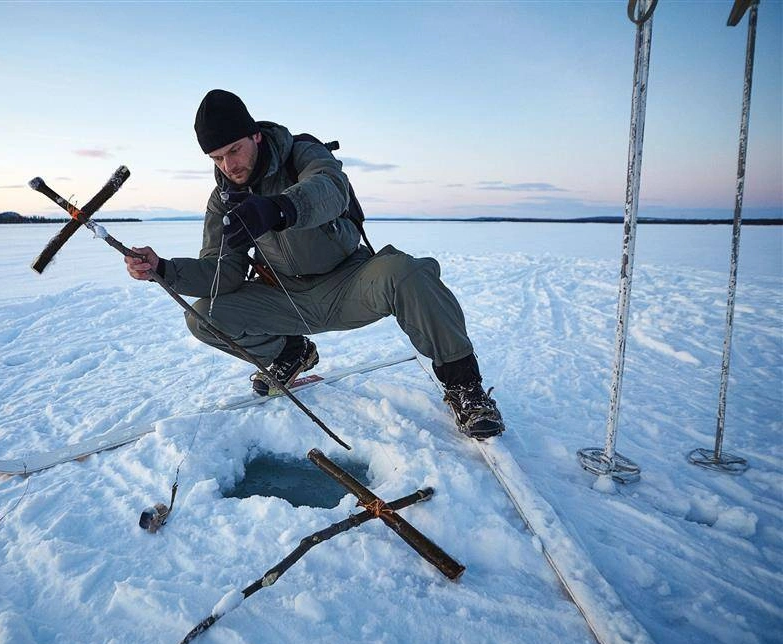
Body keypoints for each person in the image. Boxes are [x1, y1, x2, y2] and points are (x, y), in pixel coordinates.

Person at [125, 89, 505, 440]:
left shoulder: (302, 154)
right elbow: (222, 273)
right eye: (217, 158)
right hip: (288, 298)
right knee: (203, 315)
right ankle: (290, 354)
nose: (228, 165)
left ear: (255, 136)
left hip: (350, 283)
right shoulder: (224, 199)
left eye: (234, 150)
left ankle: (465, 388)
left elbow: (331, 189)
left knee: (409, 272)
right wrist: (164, 269)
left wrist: (279, 209)